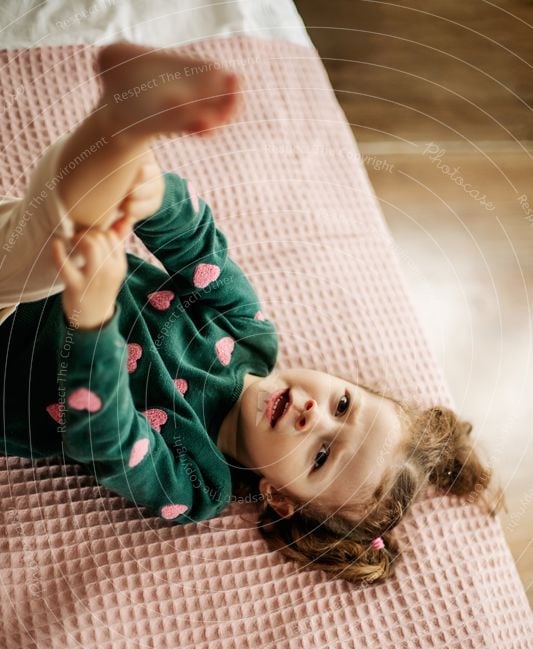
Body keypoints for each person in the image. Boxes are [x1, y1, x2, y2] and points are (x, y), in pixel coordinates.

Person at [0, 43, 496, 586]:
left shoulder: (197, 483)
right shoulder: (250, 336)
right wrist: (153, 198)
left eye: (322, 453)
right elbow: (200, 249)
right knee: (92, 205)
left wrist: (92, 322)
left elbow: (105, 437)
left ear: (280, 498)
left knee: (59, 234)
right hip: (39, 252)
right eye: (343, 403)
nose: (314, 415)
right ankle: (128, 128)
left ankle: (123, 124)